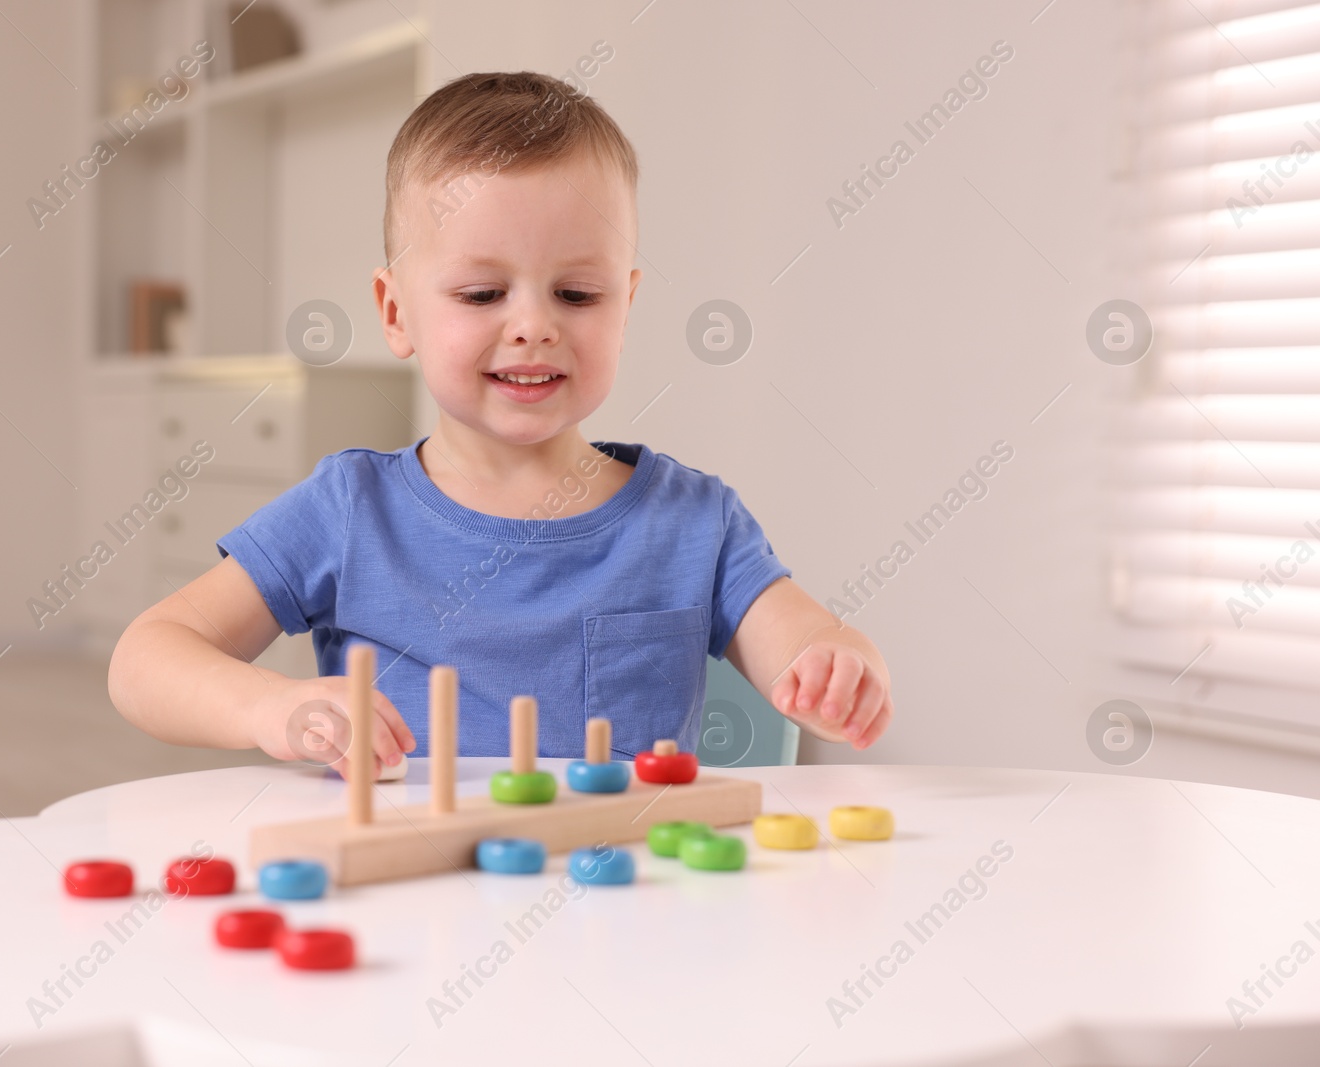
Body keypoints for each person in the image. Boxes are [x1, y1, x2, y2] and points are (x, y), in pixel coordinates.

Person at [109, 72, 893, 779]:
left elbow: (808, 640)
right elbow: (147, 657)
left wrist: (839, 664)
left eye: (577, 295)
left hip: (626, 908)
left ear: (626, 306)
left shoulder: (697, 521)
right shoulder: (349, 509)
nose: (533, 326)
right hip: (412, 905)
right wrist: (269, 708)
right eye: (483, 294)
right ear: (395, 311)